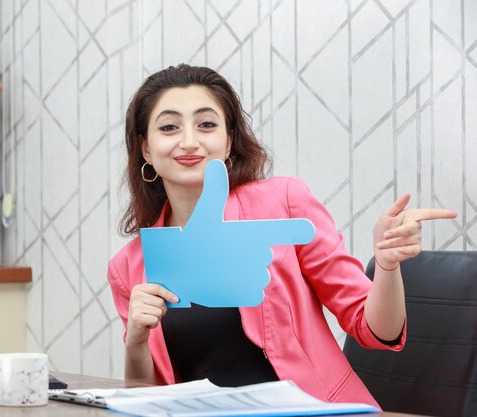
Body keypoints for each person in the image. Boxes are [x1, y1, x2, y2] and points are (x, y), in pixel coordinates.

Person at [106, 64, 456, 407]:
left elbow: (377, 330)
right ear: (147, 149)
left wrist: (387, 266)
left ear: (228, 142)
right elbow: (146, 401)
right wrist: (137, 340)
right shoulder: (129, 266)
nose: (188, 141)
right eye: (168, 127)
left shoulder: (285, 202)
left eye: (206, 124)